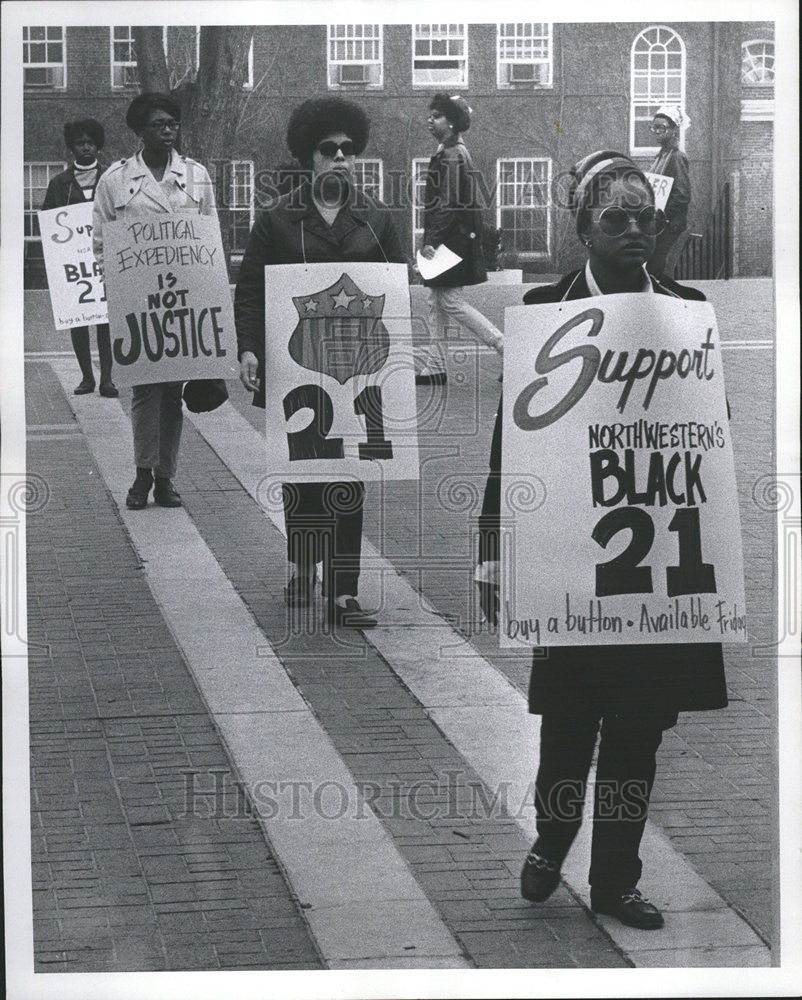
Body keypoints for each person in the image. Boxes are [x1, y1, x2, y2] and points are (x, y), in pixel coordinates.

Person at [476, 151, 728, 930]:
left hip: (652, 564)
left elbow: (705, 443)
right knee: (568, 724)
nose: (633, 230)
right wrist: (496, 551)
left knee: (639, 729)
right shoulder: (546, 314)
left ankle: (617, 877)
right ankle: (554, 838)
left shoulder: (686, 311)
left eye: (644, 217)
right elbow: (506, 448)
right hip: (567, 559)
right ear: (583, 227)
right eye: (614, 217)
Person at [235, 98, 405, 629]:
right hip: (294, 366)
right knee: (301, 473)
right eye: (329, 150)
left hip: (355, 368)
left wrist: (398, 359)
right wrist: (248, 348)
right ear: (309, 157)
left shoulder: (377, 217)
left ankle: (342, 590)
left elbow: (396, 291)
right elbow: (250, 290)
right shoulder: (277, 217)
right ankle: (301, 564)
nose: (340, 158)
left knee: (349, 473)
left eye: (348, 150)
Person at [93, 93, 216, 510]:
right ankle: (143, 474)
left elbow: (210, 235)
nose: (168, 130)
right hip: (138, 300)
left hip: (184, 300)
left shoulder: (196, 176)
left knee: (171, 392)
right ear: (140, 130)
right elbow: (100, 243)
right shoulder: (115, 180)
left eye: (172, 123)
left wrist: (209, 290)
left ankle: (166, 477)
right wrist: (118, 293)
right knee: (146, 389)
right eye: (159, 124)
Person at [417, 94, 503, 386]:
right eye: (431, 114)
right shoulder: (450, 151)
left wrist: (432, 240)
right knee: (436, 301)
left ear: (452, 122)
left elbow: (448, 202)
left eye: (438, 115)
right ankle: (435, 367)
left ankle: (507, 347)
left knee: (450, 302)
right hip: (454, 238)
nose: (430, 119)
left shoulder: (452, 154)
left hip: (451, 240)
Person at [43, 119, 117, 397]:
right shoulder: (59, 184)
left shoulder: (111, 179)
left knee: (106, 320)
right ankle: (87, 377)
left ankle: (108, 378)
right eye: (79, 143)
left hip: (105, 260)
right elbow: (50, 224)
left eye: (90, 142)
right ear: (72, 147)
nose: (85, 148)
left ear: (98, 145)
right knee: (78, 319)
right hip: (73, 265)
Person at [647, 105, 692, 277]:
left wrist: (664, 214)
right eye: (654, 127)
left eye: (662, 127)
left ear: (673, 130)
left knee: (657, 269)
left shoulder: (677, 157)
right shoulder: (662, 156)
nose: (657, 132)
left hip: (670, 224)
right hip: (659, 223)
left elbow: (682, 195)